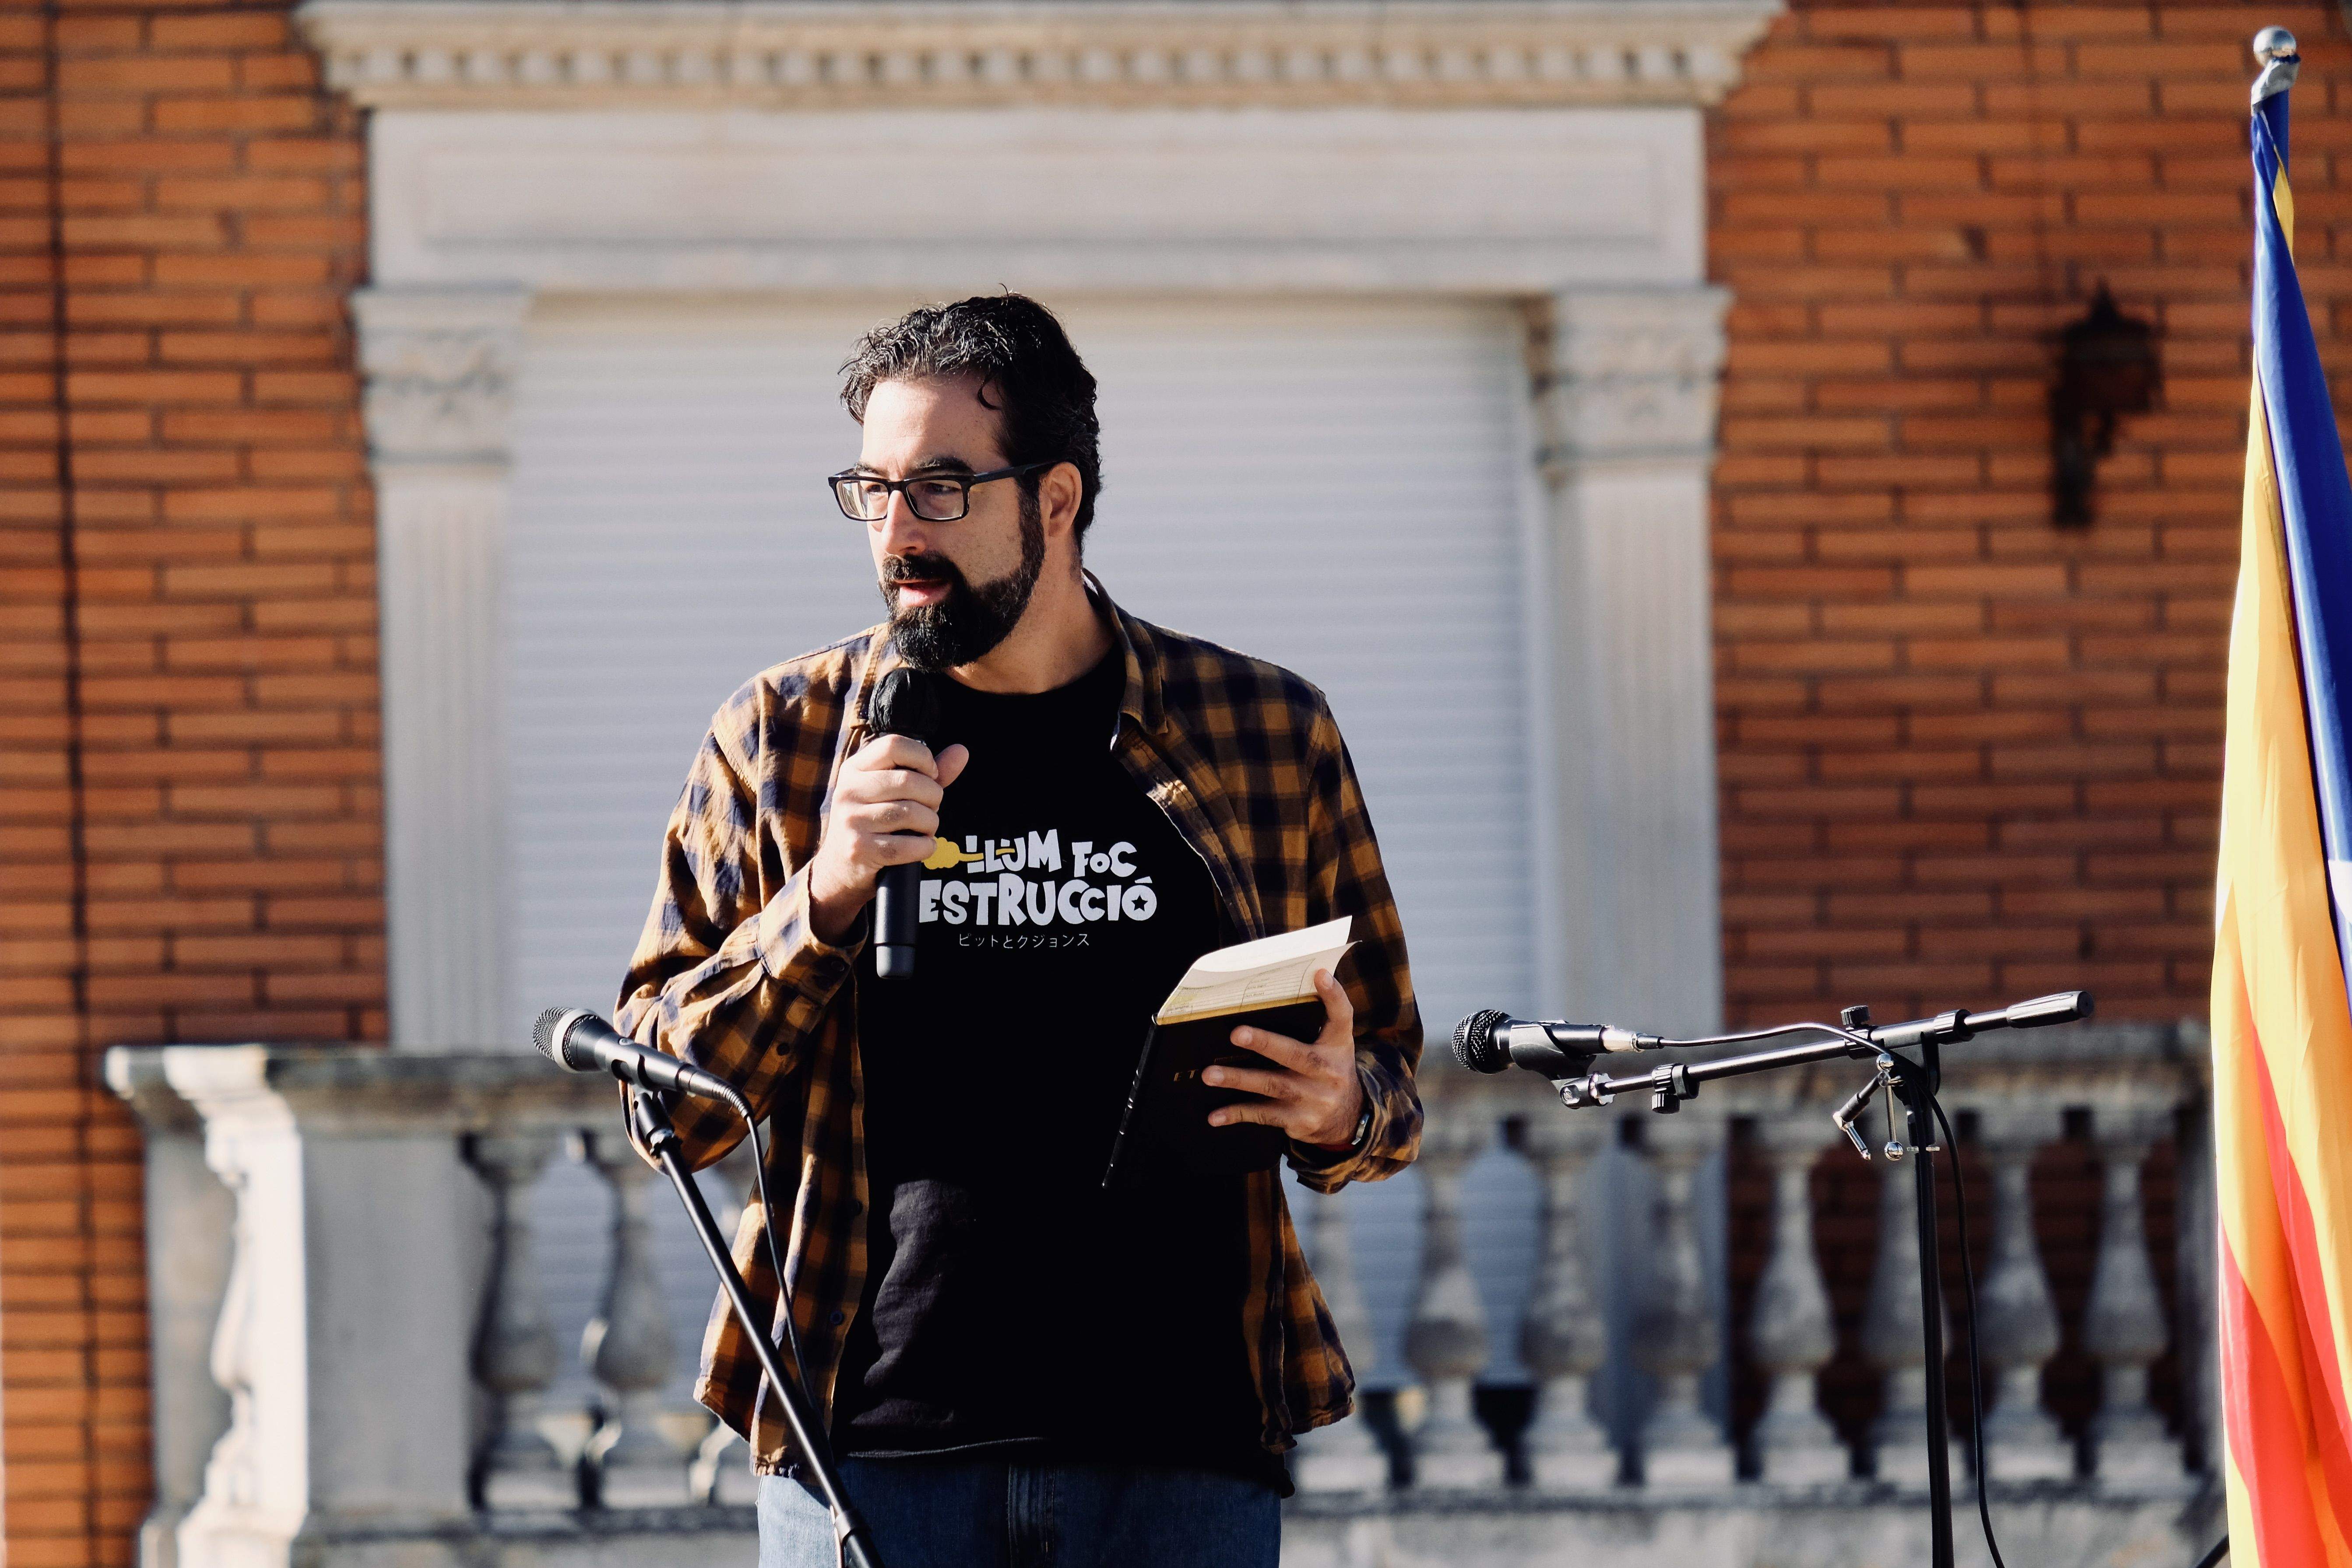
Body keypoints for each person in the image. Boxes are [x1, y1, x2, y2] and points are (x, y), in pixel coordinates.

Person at [614, 294, 1422, 1568]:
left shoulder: (1264, 728)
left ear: (1056, 498)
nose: (897, 534)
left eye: (940, 489)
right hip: (872, 1454)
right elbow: (664, 1101)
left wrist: (1341, 1113)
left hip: (1183, 1454)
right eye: (871, 489)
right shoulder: (786, 737)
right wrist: (822, 902)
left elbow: (1385, 1074)